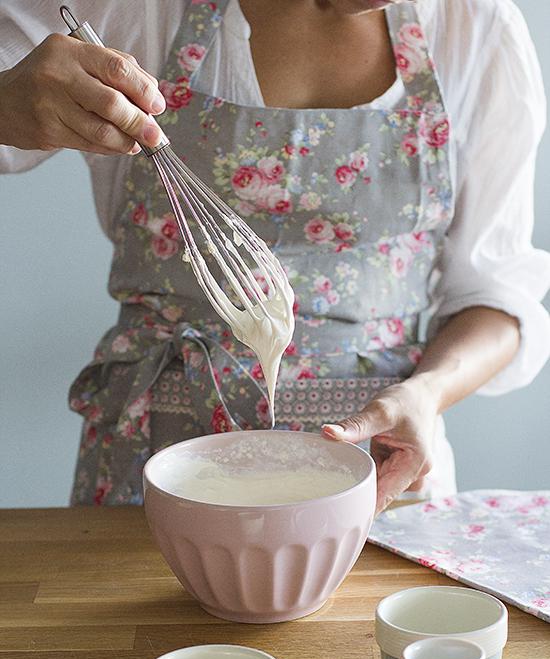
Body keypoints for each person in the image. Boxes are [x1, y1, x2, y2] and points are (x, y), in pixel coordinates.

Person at [1, 0, 549, 511]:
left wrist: (425, 394)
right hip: (152, 474)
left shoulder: (476, 28)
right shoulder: (139, 9)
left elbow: (496, 297)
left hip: (380, 485)